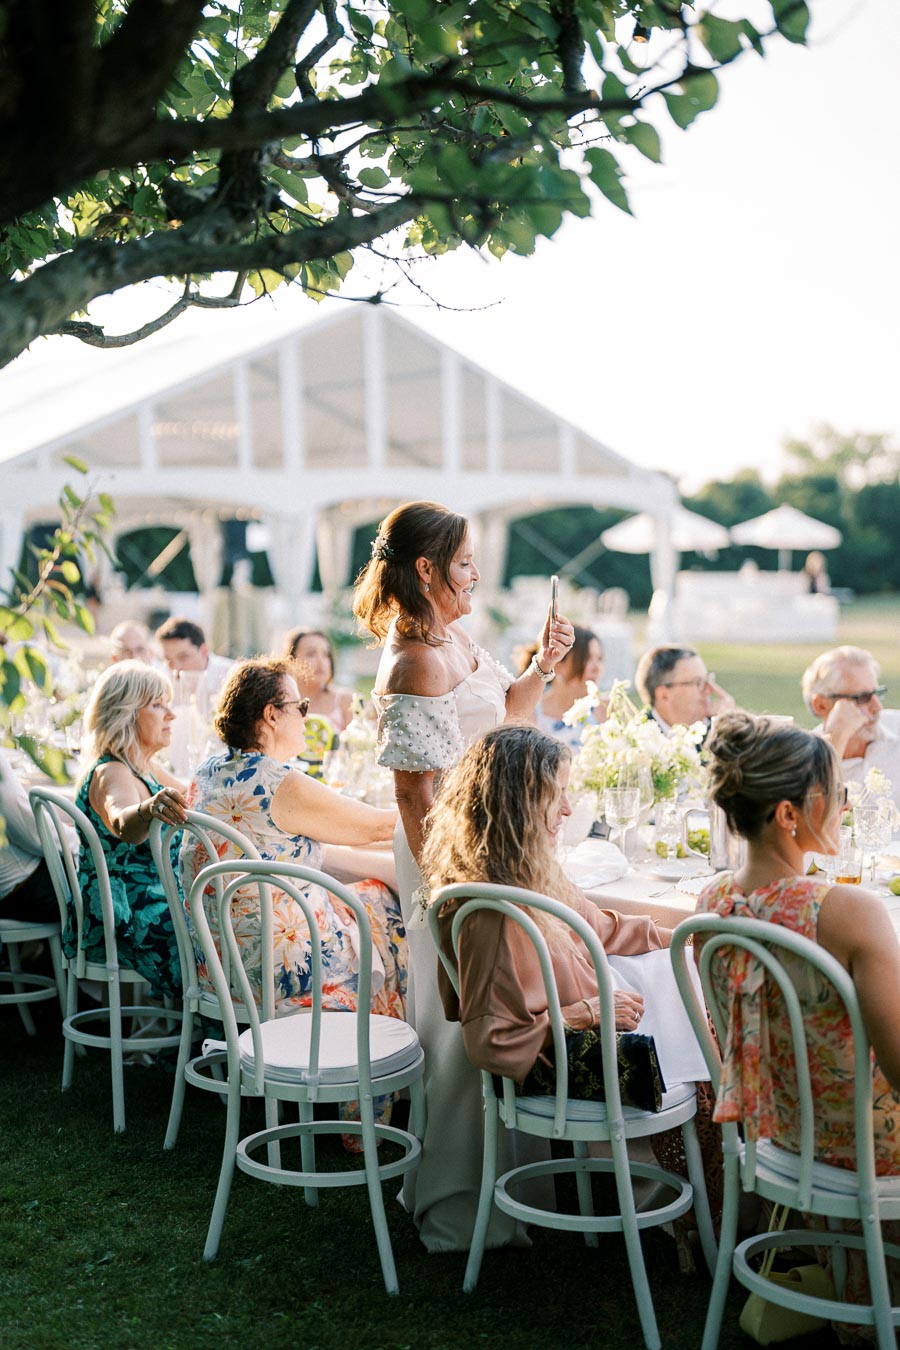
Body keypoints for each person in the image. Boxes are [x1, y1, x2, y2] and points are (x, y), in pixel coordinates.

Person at [352, 499, 575, 1252]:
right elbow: (415, 793)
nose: (477, 573)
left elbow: (509, 712)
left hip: (493, 851)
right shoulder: (411, 658)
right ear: (426, 569)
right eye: (466, 561)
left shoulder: (455, 637)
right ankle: (453, 1202)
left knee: (503, 1001)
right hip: (449, 864)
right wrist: (450, 891)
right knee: (456, 1021)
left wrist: (542, 665)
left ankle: (513, 1192)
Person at [697, 712, 900, 1328]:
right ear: (789, 815)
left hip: (780, 1133)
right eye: (834, 795)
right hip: (866, 1149)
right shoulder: (847, 911)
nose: (842, 806)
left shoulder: (712, 903)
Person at [423, 725, 672, 1086]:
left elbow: (601, 929)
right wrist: (586, 1012)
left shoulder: (530, 873)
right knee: (698, 1009)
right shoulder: (490, 913)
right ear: (521, 805)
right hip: (569, 1053)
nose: (568, 809)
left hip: (601, 1020)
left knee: (687, 976)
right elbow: (489, 1042)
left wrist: (688, 939)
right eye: (558, 794)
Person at [180, 658, 406, 1025]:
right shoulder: (278, 783)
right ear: (271, 715)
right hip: (282, 972)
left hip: (221, 966)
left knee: (367, 892)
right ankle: (382, 1042)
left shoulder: (207, 772)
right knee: (381, 906)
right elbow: (377, 828)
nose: (307, 714)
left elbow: (303, 847)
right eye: (300, 707)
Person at [68, 661, 188, 997]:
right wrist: (149, 808)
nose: (171, 715)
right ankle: (213, 1033)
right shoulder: (113, 772)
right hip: (127, 913)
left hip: (151, 901)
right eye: (157, 704)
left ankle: (193, 1035)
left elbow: (195, 796)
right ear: (125, 713)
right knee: (221, 931)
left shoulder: (143, 766)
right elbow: (123, 823)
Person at [802, 645, 900, 808]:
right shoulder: (805, 759)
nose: (877, 707)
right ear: (821, 705)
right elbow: (813, 818)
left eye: (877, 693)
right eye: (862, 697)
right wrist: (836, 739)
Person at [0, 748, 77, 922]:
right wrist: (78, 838)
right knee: (100, 878)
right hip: (17, 889)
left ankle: (36, 947)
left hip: (14, 885)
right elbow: (32, 833)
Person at [516, 625, 608, 750]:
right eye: (586, 659)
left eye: (599, 659)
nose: (596, 667)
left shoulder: (607, 710)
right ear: (558, 664)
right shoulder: (530, 715)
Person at [634, 644, 734, 733]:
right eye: (698, 682)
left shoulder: (715, 731)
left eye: (707, 680)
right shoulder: (635, 742)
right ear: (664, 695)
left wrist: (731, 726)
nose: (709, 690)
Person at [282, 628, 354, 733]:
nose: (321, 661)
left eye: (326, 655)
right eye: (311, 654)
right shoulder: (282, 704)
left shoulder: (345, 701)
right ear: (291, 660)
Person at [155, 616, 234, 699]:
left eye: (183, 657)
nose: (176, 667)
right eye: (168, 660)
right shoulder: (162, 682)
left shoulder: (231, 675)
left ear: (204, 651)